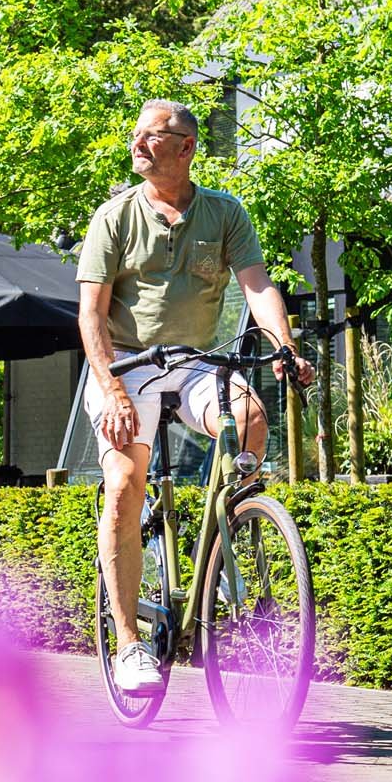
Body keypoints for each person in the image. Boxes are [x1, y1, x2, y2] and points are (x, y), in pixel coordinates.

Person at [76, 99, 313, 695]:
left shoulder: (223, 213)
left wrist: (283, 347)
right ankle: (129, 644)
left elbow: (257, 285)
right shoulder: (115, 217)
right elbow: (91, 315)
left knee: (251, 417)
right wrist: (110, 389)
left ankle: (230, 533)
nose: (138, 143)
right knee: (126, 487)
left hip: (193, 363)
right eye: (135, 134)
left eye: (152, 135)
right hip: (126, 365)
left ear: (186, 147)